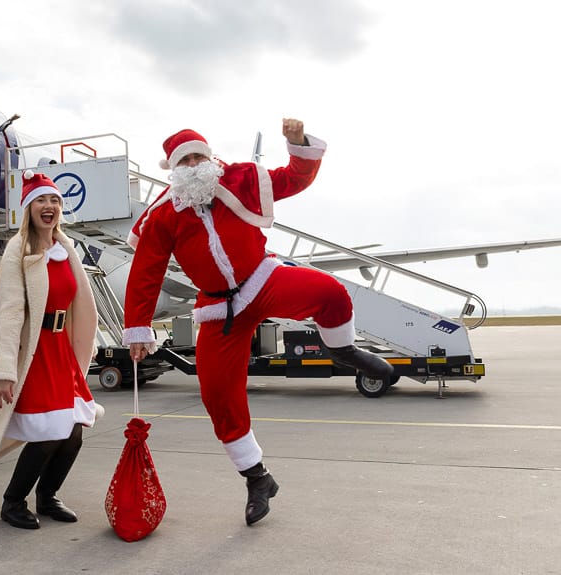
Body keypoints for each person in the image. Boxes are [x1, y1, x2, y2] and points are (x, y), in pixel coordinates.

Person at [122, 121, 394, 526]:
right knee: (217, 395)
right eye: (185, 160)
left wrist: (298, 144)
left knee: (331, 293)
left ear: (209, 156)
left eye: (199, 156)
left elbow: (294, 178)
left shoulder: (240, 178)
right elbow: (146, 271)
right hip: (219, 309)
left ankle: (343, 349)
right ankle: (257, 478)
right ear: (173, 169)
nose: (194, 165)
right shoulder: (163, 214)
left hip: (261, 280)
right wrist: (139, 329)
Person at [0, 170, 100, 530]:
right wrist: (4, 369)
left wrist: (87, 344)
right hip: (34, 353)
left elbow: (79, 305)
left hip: (61, 351)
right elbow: (9, 312)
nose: (49, 205)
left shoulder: (66, 247)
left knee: (72, 434)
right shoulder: (18, 250)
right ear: (28, 208)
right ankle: (12, 502)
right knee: (46, 434)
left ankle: (48, 496)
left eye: (54, 200)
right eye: (41, 199)